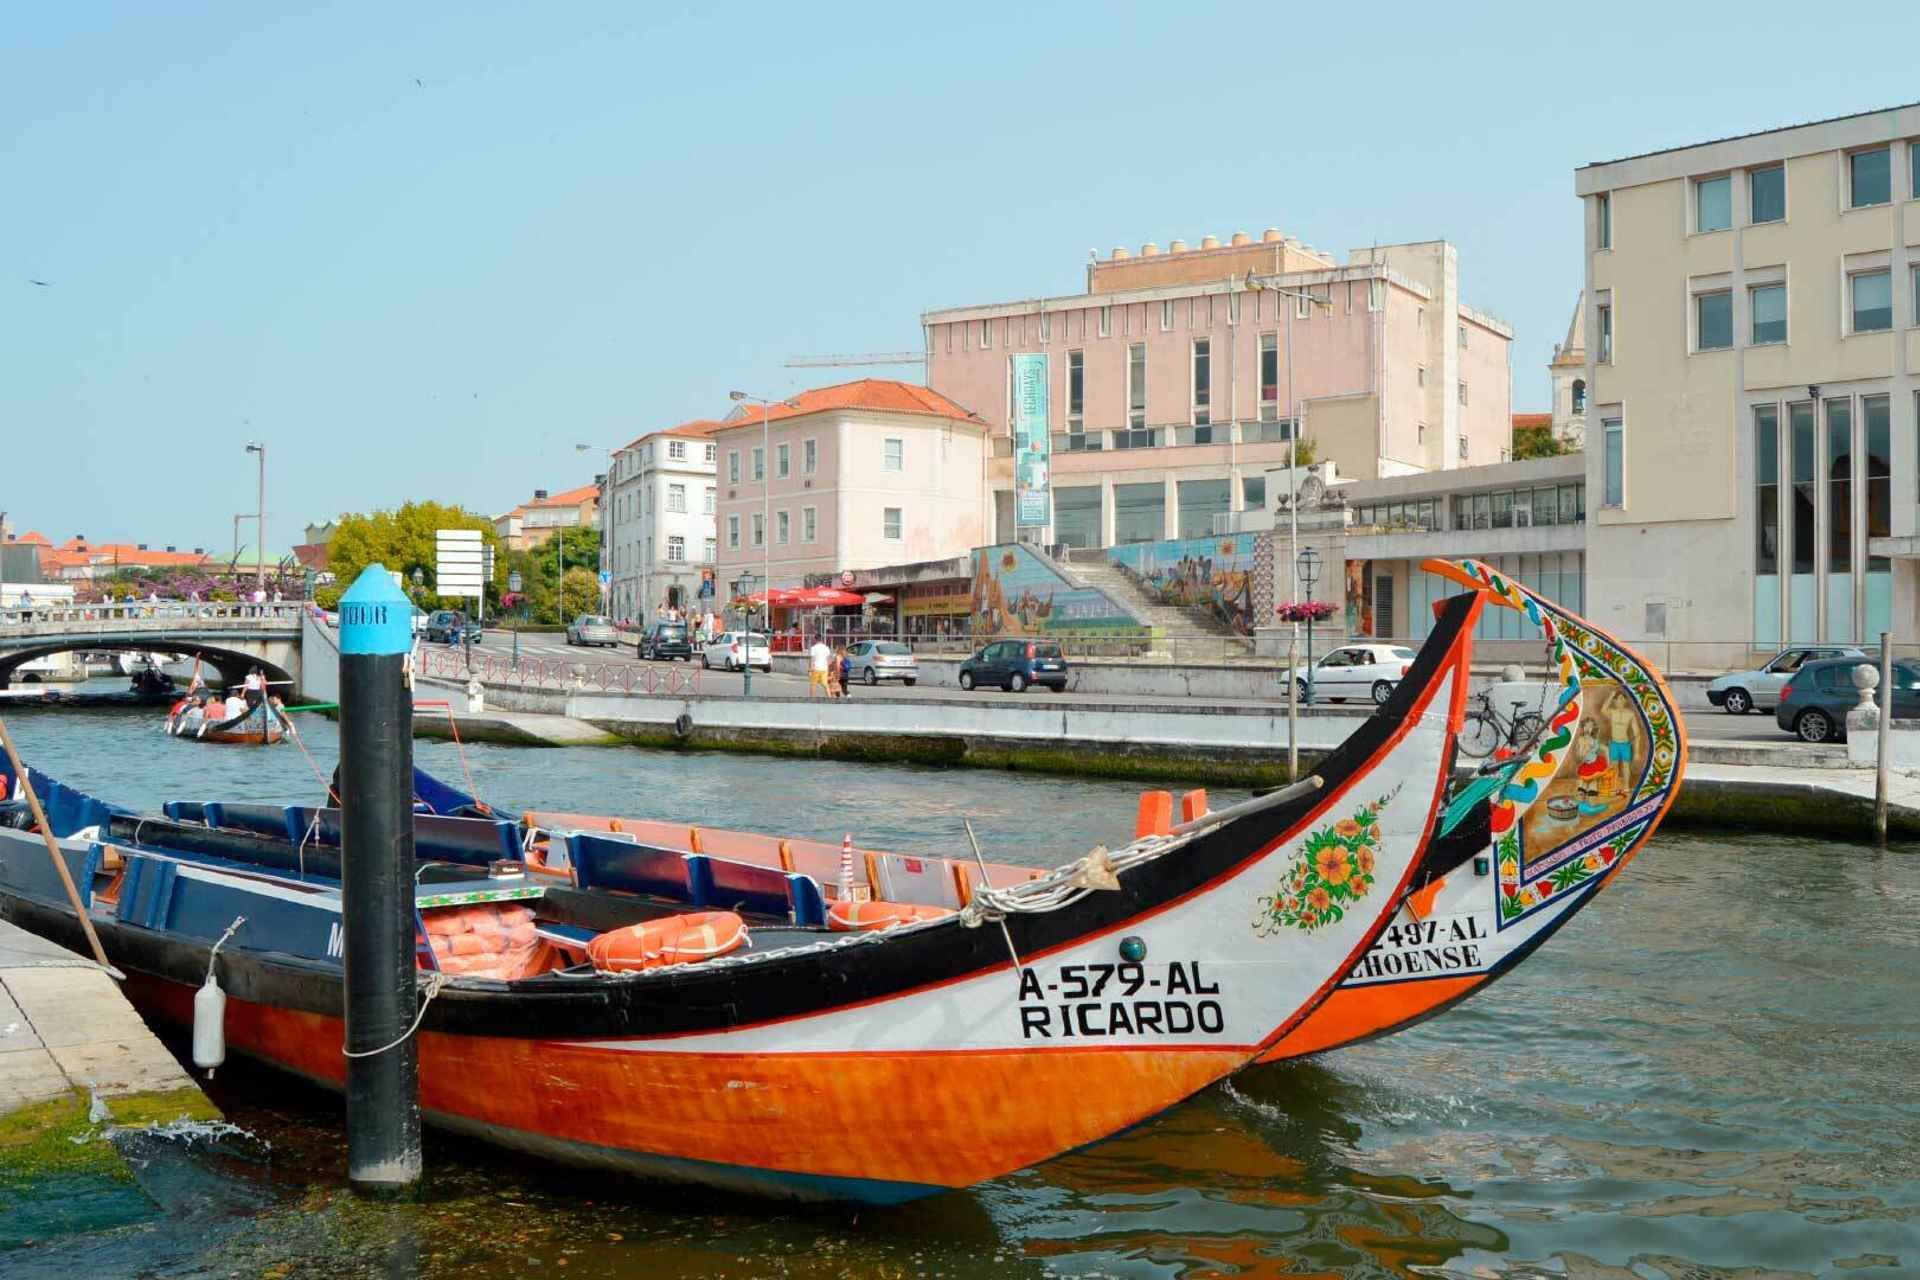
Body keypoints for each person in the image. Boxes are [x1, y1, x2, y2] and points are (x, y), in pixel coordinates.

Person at [808, 634, 831, 699]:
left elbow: (812, 659)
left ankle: (812, 699)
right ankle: (830, 698)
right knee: (825, 684)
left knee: (813, 684)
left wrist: (810, 670)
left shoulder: (813, 648)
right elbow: (828, 660)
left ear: (815, 639)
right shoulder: (826, 648)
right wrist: (827, 667)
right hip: (824, 669)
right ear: (821, 639)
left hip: (816, 668)